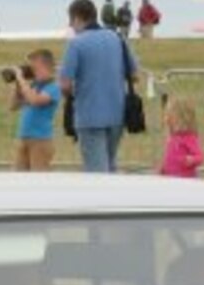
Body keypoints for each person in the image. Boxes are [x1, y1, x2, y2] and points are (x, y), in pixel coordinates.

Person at [59, 0, 138, 174]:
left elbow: (65, 84)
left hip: (89, 115)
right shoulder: (117, 38)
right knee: (110, 165)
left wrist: (70, 95)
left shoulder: (76, 44)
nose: (71, 25)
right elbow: (134, 74)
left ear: (78, 18)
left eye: (71, 20)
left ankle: (102, 201)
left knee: (97, 172)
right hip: (116, 114)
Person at [10, 49, 61, 171]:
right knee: (18, 179)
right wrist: (17, 84)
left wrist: (22, 80)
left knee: (38, 181)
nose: (32, 72)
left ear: (46, 67)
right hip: (23, 137)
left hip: (41, 140)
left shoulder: (53, 87)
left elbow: (35, 100)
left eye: (34, 68)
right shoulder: (33, 86)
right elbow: (13, 105)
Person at [159, 97, 204, 178]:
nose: (166, 119)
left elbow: (200, 156)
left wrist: (192, 159)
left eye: (169, 116)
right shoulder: (172, 138)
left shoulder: (189, 137)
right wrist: (164, 168)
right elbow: (170, 157)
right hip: (171, 177)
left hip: (186, 179)